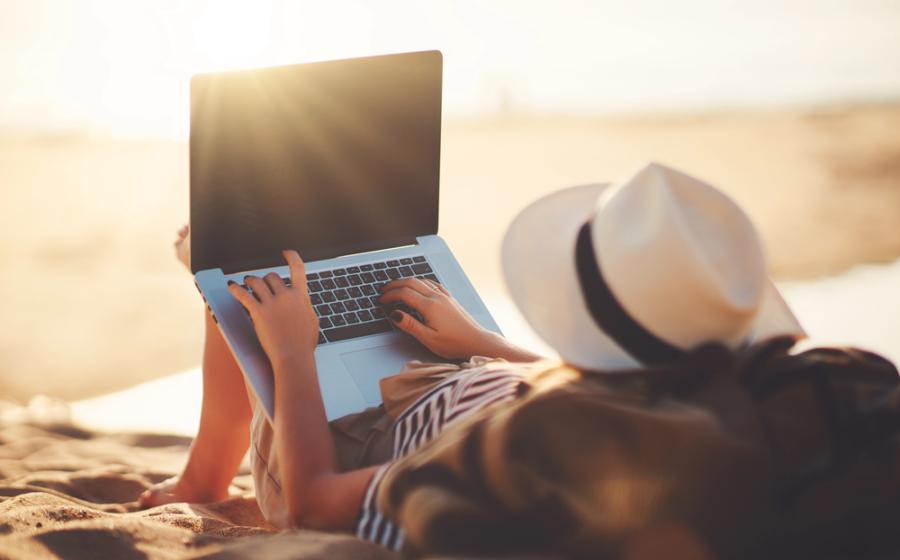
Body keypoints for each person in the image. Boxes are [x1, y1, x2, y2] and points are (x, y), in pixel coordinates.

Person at [139, 163, 805, 551]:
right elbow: (592, 389)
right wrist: (481, 344)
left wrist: (293, 350)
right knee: (276, 268)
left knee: (241, 281)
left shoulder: (525, 453)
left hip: (355, 441)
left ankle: (203, 477)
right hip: (470, 377)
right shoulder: (709, 395)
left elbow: (314, 504)